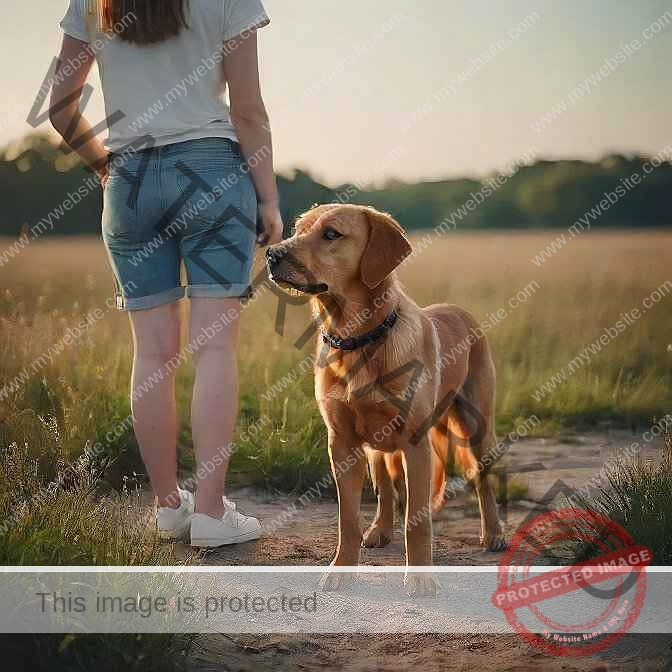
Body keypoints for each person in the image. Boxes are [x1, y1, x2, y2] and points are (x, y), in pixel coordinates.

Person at [51, 0, 282, 547]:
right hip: (213, 172)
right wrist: (269, 198)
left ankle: (167, 508)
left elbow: (62, 106)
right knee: (215, 349)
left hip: (129, 178)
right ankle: (209, 514)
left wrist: (106, 165)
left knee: (152, 354)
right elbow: (248, 111)